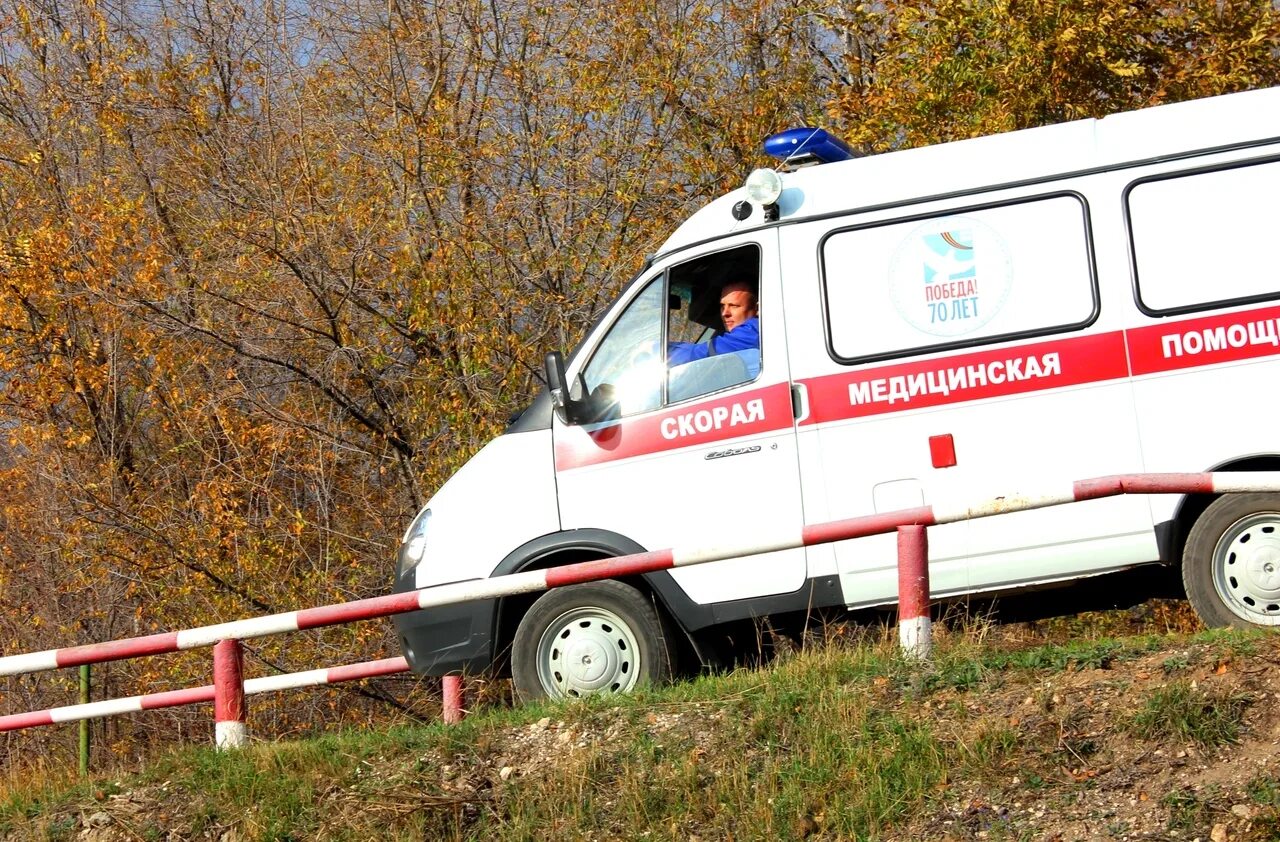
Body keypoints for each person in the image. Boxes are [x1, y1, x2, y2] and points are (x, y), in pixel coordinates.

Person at [667, 280, 759, 367]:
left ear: (757, 308)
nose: (725, 313)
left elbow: (700, 354)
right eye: (722, 306)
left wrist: (661, 349)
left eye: (734, 306)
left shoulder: (755, 331)